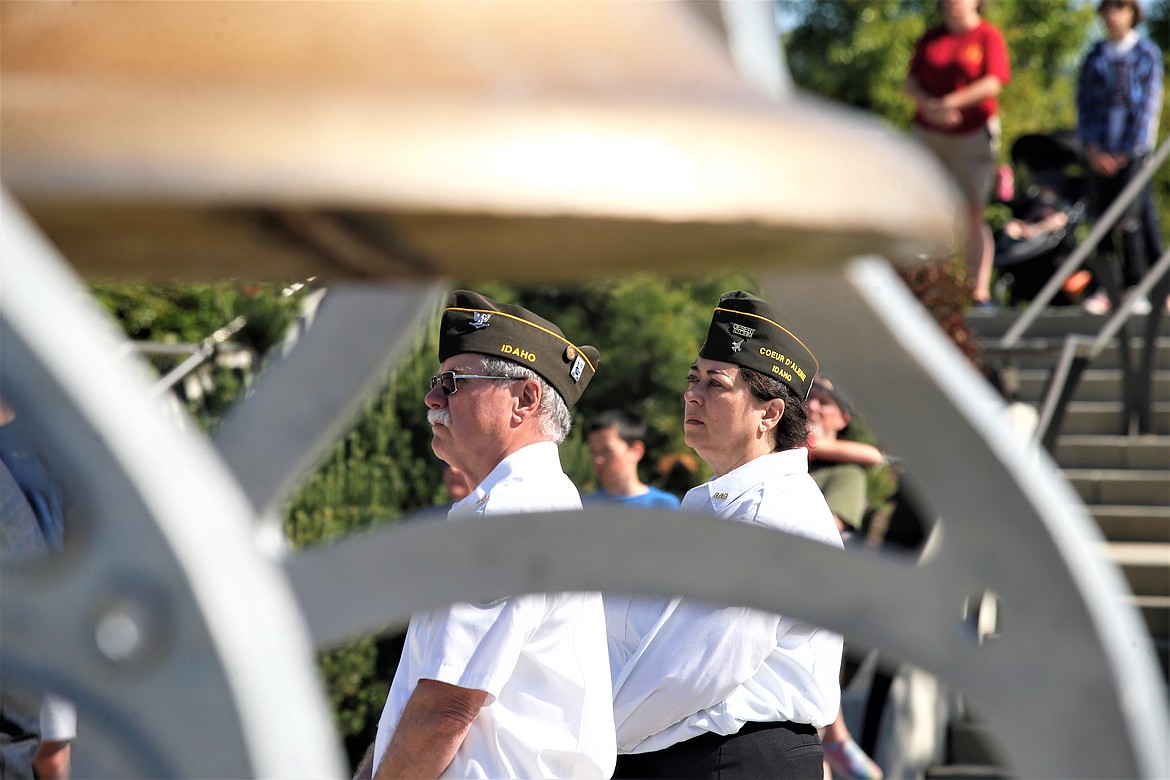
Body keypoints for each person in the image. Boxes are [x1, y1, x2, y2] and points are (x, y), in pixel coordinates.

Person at [357, 290, 615, 779]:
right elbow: (425, 693)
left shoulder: (513, 514)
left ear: (524, 399)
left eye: (452, 382)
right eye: (437, 382)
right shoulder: (522, 505)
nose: (432, 398)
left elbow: (446, 709)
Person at [607, 291, 843, 779]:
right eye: (693, 379)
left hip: (730, 761)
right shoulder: (723, 506)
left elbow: (686, 674)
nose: (693, 394)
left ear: (770, 414)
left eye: (716, 384)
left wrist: (583, 740)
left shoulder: (767, 515)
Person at [906, 0, 1011, 308]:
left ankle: (979, 292)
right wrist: (931, 106)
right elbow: (911, 82)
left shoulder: (987, 36)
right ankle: (936, 290)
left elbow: (993, 82)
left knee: (971, 213)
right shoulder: (931, 38)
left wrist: (950, 103)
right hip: (930, 133)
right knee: (933, 211)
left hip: (973, 134)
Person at [806, 378, 885, 780]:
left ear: (843, 417)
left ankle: (837, 741)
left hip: (817, 596)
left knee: (807, 722)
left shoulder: (847, 473)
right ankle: (837, 741)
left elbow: (825, 530)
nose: (815, 407)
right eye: (810, 399)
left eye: (825, 402)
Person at [1076, 0, 1164, 316]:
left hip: (1133, 152)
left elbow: (1147, 107)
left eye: (1120, 7)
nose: (1113, 15)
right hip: (1099, 151)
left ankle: (1136, 285)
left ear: (1133, 13)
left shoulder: (1146, 54)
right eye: (1108, 8)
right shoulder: (1094, 57)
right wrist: (1094, 149)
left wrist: (1128, 152)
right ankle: (1106, 287)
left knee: (1134, 218)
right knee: (1101, 219)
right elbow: (1084, 105)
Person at [585, 410, 680, 510]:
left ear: (636, 451)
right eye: (593, 451)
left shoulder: (663, 505)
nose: (598, 460)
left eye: (607, 450)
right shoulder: (585, 505)